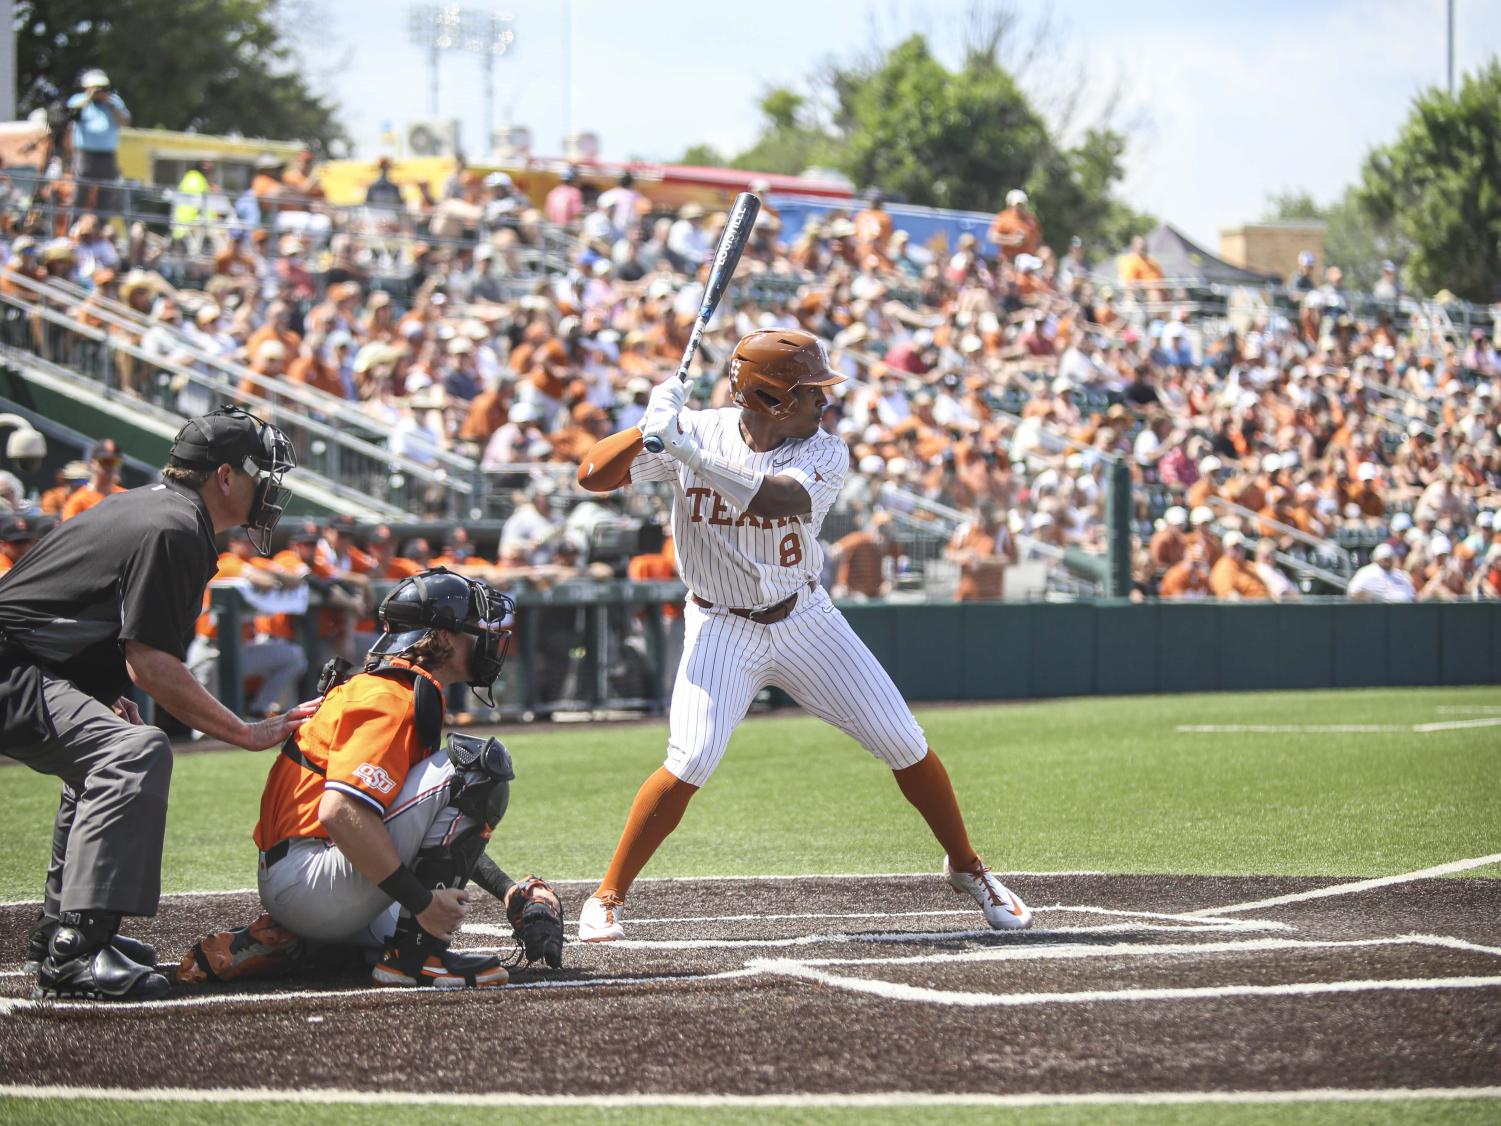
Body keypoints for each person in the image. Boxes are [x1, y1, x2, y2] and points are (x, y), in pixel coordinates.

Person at [573, 328, 1034, 942]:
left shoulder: (822, 452)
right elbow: (590, 476)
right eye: (810, 392)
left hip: (803, 617)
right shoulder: (698, 431)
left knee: (903, 739)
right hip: (719, 625)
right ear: (767, 399)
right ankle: (608, 896)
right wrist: (644, 428)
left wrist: (689, 456)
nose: (825, 402)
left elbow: (776, 501)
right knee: (691, 757)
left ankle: (969, 869)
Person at [0, 406, 312, 1001]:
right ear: (224, 476)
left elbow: (71, 610)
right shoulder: (174, 526)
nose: (271, 489)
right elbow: (153, 664)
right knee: (130, 753)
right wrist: (246, 732)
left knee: (108, 754)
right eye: (260, 475)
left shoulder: (151, 506)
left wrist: (105, 693)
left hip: (22, 662)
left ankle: (60, 932)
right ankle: (78, 950)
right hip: (11, 667)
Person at [191, 568, 562, 988]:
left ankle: (305, 944)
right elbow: (340, 810)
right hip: (310, 876)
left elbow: (427, 827)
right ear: (441, 638)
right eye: (473, 627)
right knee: (477, 765)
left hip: (310, 874)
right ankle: (418, 956)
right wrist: (422, 903)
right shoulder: (390, 697)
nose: (486, 637)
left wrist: (508, 891)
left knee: (461, 776)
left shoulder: (398, 689)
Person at [67, 70, 130, 212]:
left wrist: (110, 104)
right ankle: (74, 226)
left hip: (107, 156)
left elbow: (125, 122)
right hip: (85, 155)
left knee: (106, 196)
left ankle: (101, 228)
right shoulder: (78, 101)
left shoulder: (114, 102)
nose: (98, 91)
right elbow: (71, 117)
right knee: (80, 194)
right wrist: (88, 99)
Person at [60, 438, 127, 521]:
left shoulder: (126, 497)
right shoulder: (78, 501)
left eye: (115, 462)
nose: (110, 466)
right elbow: (68, 531)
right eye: (105, 461)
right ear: (93, 463)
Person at [1347, 542, 1416, 603]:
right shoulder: (1367, 572)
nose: (1387, 561)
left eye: (1389, 558)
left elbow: (1411, 594)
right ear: (1377, 558)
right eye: (1384, 559)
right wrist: (1372, 597)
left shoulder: (1399, 574)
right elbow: (1353, 592)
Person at [987, 189, 1041, 263]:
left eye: (1022, 205)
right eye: (1017, 205)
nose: (1020, 208)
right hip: (1009, 259)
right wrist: (1012, 240)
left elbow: (1038, 238)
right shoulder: (1003, 218)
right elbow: (993, 237)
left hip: (1029, 259)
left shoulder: (1032, 219)